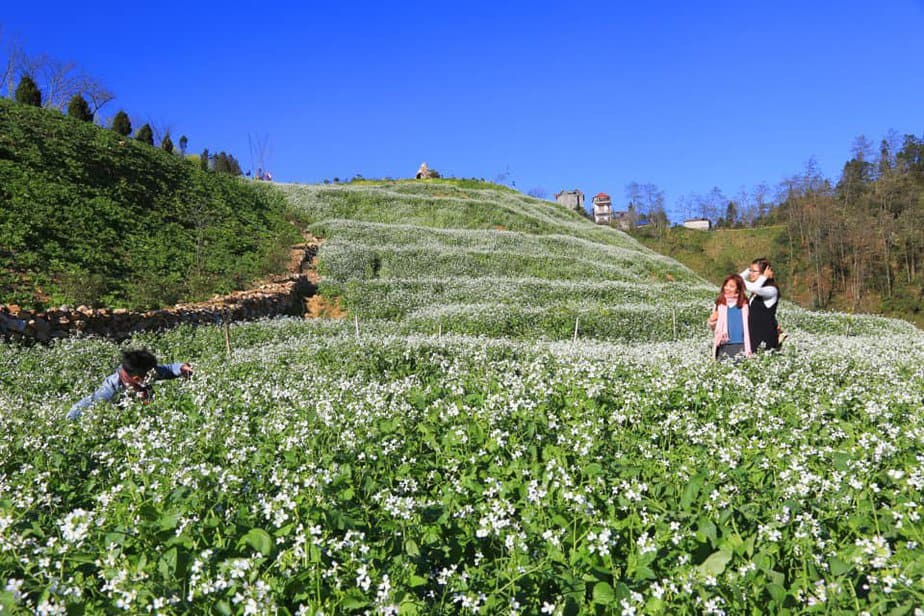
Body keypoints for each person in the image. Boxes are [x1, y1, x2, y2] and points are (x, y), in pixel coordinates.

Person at [67, 349, 192, 420]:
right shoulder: (110, 391)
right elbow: (77, 410)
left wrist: (182, 368)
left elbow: (169, 369)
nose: (155, 374)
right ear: (137, 378)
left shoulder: (145, 372)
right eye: (152, 373)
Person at [708, 274, 752, 361]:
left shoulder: (745, 305)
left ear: (738, 290)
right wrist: (711, 321)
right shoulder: (719, 304)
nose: (727, 288)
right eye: (726, 285)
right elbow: (714, 328)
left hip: (741, 344)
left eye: (731, 286)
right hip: (724, 344)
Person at [739, 258, 781, 351]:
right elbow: (737, 279)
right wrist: (748, 270)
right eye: (751, 271)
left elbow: (754, 288)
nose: (751, 273)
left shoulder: (771, 290)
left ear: (764, 273)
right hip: (753, 335)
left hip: (765, 337)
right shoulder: (756, 290)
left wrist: (763, 277)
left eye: (754, 271)